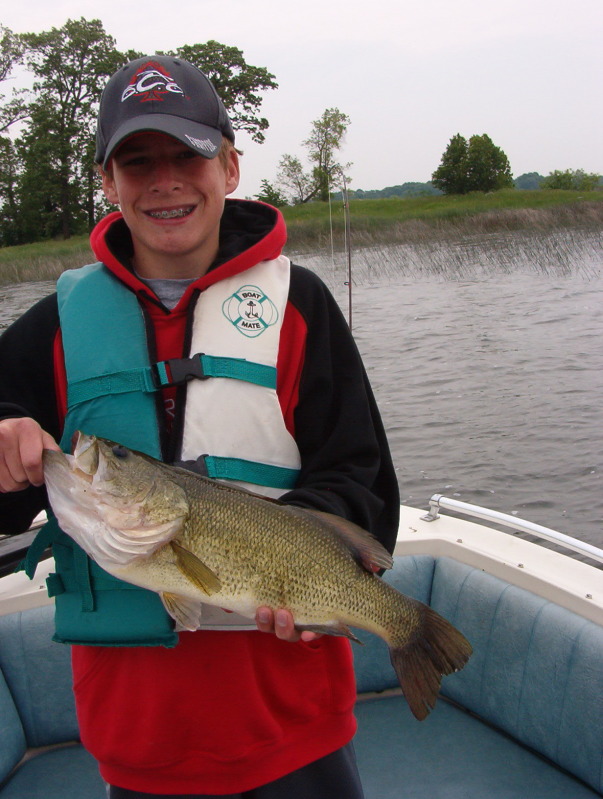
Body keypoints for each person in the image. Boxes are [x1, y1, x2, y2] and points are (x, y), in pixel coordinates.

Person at [0, 55, 399, 798]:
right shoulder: (54, 327)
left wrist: (309, 569)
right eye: (137, 162)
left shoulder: (300, 306)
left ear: (230, 167)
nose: (165, 180)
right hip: (140, 735)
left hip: (294, 723)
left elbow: (360, 475)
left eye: (188, 155)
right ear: (107, 182)